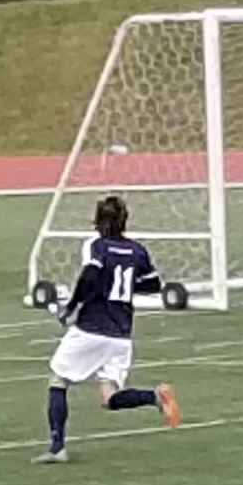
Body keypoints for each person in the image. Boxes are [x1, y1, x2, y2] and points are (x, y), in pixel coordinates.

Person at [41, 195, 183, 464]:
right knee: (110, 397)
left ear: (97, 221)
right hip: (121, 334)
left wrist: (71, 307)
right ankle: (155, 397)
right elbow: (153, 285)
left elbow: (91, 274)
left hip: (91, 329)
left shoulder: (96, 245)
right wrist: (125, 286)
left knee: (58, 381)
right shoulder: (137, 250)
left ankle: (57, 447)